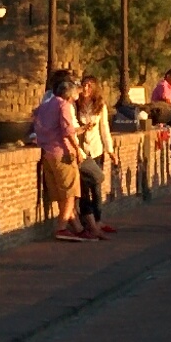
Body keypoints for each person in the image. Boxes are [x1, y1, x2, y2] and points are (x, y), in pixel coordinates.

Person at [28, 68, 79, 239]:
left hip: (47, 152)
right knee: (70, 192)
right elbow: (67, 130)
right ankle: (62, 227)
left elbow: (36, 122)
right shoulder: (64, 105)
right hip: (62, 152)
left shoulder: (44, 106)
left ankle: (75, 227)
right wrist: (76, 149)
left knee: (60, 193)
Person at [71, 76, 113, 240]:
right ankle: (88, 221)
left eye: (90, 86)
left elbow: (104, 128)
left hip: (96, 150)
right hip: (81, 150)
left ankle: (98, 219)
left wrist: (110, 150)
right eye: (84, 85)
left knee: (96, 185)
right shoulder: (75, 104)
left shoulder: (100, 105)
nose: (86, 88)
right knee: (83, 188)